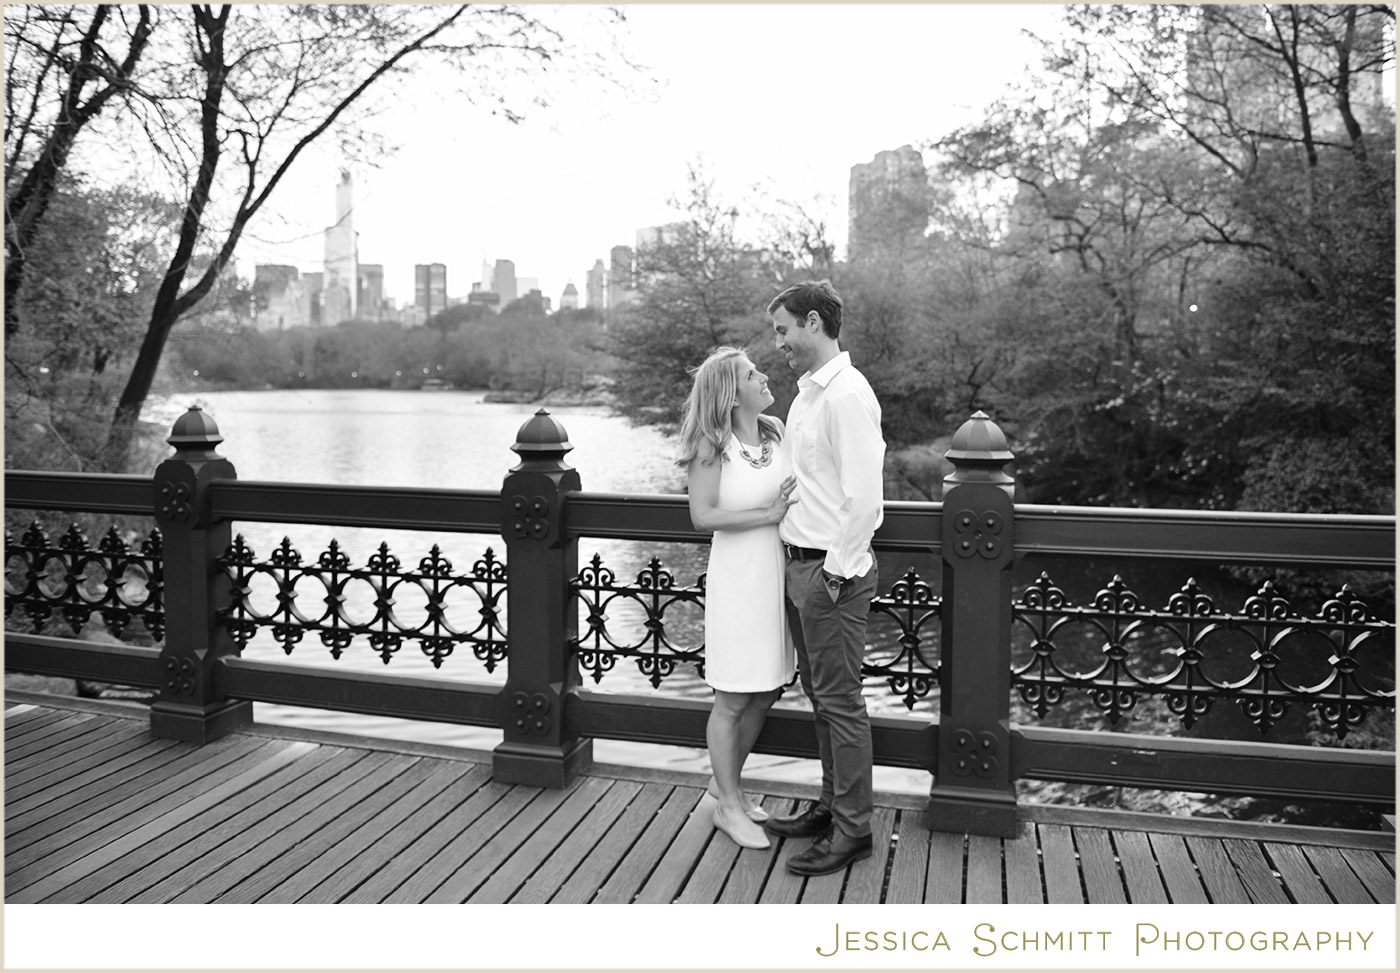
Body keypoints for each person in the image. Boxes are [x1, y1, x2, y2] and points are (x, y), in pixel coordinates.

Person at [763, 279, 885, 876]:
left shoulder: (846, 396)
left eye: (783, 329)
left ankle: (854, 830)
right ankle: (832, 807)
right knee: (822, 701)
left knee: (840, 704)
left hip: (829, 576)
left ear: (814, 322)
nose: (778, 342)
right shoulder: (806, 395)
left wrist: (834, 576)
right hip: (800, 567)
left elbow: (866, 498)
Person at [679, 346, 798, 850]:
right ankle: (728, 807)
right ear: (731, 392)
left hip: (776, 572)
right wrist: (767, 516)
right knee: (731, 696)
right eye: (753, 374)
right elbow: (702, 516)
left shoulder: (773, 430)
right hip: (738, 577)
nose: (764, 375)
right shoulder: (713, 442)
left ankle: (725, 788)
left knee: (768, 687)